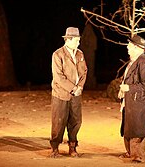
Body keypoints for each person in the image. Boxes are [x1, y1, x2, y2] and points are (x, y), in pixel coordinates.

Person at [49, 27, 88, 158]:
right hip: (61, 94)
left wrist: (80, 87)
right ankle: (55, 148)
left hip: (76, 94)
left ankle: (72, 146)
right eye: (76, 40)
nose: (78, 43)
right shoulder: (58, 54)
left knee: (76, 121)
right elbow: (58, 77)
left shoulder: (80, 54)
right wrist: (73, 88)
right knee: (59, 121)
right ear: (68, 40)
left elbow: (84, 72)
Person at [118, 35, 145, 163]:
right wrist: (123, 90)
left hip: (139, 102)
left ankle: (137, 155)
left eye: (130, 45)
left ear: (137, 48)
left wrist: (129, 88)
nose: (127, 47)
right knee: (129, 126)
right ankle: (130, 152)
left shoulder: (144, 63)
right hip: (131, 101)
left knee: (138, 128)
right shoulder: (133, 61)